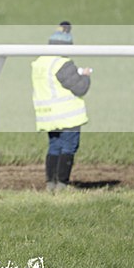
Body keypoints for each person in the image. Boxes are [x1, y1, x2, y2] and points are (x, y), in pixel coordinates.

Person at [31, 21, 92, 191]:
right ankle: (62, 184)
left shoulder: (40, 62)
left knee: (54, 147)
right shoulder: (63, 63)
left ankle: (51, 184)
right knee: (69, 147)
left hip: (47, 115)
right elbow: (80, 88)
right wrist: (86, 76)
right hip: (67, 115)